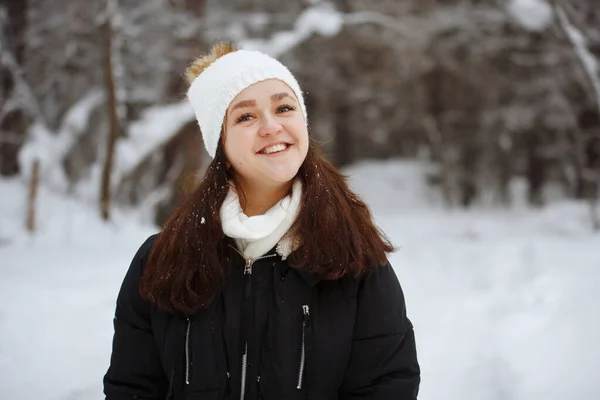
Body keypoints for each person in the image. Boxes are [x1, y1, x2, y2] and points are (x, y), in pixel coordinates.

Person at [103, 42, 420, 400]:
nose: (271, 127)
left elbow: (386, 387)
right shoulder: (161, 260)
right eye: (246, 116)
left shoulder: (355, 258)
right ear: (219, 142)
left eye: (284, 107)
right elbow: (132, 389)